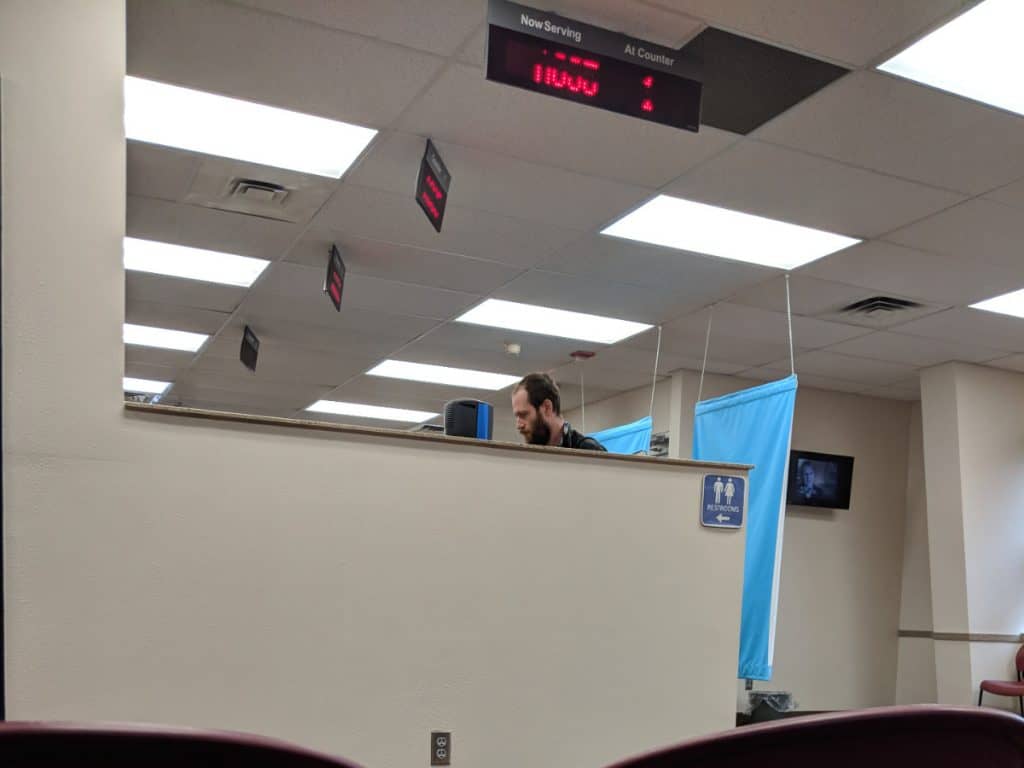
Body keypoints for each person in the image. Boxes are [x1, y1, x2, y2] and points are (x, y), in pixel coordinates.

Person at [511, 372, 606, 451]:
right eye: (517, 416)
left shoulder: (588, 452)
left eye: (523, 415)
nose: (519, 425)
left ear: (547, 408)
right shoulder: (528, 459)